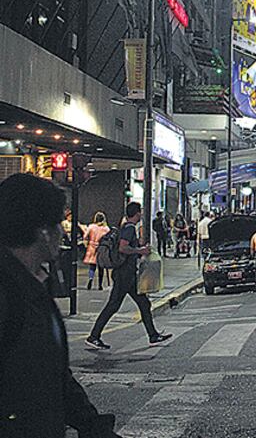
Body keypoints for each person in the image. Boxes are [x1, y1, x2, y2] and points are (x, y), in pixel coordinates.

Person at [0, 174, 123, 437]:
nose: (62, 232)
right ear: (43, 232)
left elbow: (55, 377)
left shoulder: (34, 284)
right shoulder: (8, 291)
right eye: (58, 223)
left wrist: (93, 427)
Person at [86, 202, 172, 350]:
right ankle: (94, 336)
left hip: (128, 274)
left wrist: (140, 249)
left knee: (144, 303)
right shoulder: (129, 228)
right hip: (124, 274)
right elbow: (123, 248)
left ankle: (153, 335)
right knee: (113, 305)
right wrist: (140, 251)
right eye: (140, 212)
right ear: (137, 213)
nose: (141, 215)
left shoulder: (126, 227)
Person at [83, 212, 111, 291]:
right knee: (101, 267)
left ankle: (90, 278)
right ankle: (100, 285)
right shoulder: (106, 229)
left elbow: (85, 236)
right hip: (101, 248)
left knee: (92, 266)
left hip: (92, 247)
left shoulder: (91, 227)